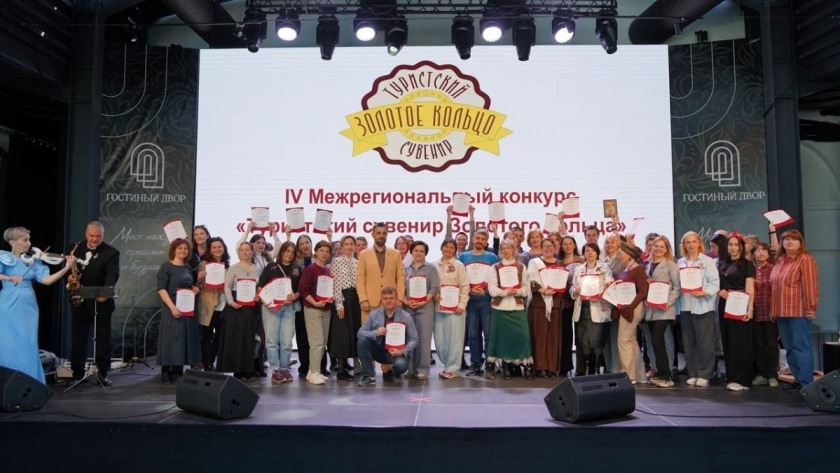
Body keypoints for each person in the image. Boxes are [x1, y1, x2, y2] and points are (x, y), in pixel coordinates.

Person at [0, 227, 75, 384]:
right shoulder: (4, 257)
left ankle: (30, 381)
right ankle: (8, 380)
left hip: (28, 303)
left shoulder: (34, 260)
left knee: (28, 342)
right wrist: (8, 278)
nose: (29, 243)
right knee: (8, 341)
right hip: (9, 302)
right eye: (25, 240)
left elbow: (46, 280)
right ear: (12, 242)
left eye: (29, 239)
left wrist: (67, 267)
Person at [69, 221, 120, 386]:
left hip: (101, 302)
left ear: (102, 235)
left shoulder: (111, 252)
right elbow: (67, 269)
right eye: (91, 236)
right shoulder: (75, 248)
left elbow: (112, 274)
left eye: (98, 236)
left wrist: (105, 292)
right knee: (78, 337)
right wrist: (69, 278)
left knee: (102, 338)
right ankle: (77, 374)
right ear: (86, 233)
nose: (95, 239)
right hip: (79, 300)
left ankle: (103, 374)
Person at [770, 230, 819, 391]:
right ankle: (798, 380)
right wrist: (773, 310)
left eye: (794, 239)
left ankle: (806, 383)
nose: (790, 242)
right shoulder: (781, 261)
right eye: (786, 239)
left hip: (798, 312)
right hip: (781, 312)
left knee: (801, 347)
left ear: (800, 243)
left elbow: (810, 286)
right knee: (790, 347)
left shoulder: (805, 259)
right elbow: (775, 287)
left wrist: (810, 308)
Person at [356, 222, 406, 381]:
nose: (381, 236)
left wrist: (399, 298)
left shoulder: (395, 254)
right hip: (369, 303)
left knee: (388, 336)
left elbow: (400, 277)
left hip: (390, 303)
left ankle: (387, 369)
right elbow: (360, 279)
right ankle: (369, 371)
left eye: (384, 233)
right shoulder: (364, 254)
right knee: (368, 338)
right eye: (378, 233)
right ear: (372, 234)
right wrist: (363, 299)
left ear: (387, 235)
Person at [156, 239, 202, 383]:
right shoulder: (166, 267)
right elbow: (161, 290)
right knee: (170, 338)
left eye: (185, 249)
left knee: (182, 338)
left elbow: (188, 286)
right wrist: (172, 307)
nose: (183, 251)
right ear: (174, 250)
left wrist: (195, 288)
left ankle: (177, 370)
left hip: (186, 307)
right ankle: (165, 371)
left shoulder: (187, 267)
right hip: (171, 306)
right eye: (180, 248)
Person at [677, 231, 720, 387]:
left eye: (694, 241)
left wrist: (705, 292)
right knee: (689, 341)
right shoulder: (680, 262)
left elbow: (715, 282)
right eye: (687, 242)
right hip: (685, 306)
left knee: (705, 342)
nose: (691, 245)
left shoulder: (707, 261)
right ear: (684, 245)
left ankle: (705, 374)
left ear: (699, 243)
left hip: (703, 306)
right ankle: (693, 372)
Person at [487, 238, 533, 379]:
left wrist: (516, 291)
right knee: (503, 338)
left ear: (514, 250)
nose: (506, 251)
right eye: (503, 248)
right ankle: (506, 366)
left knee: (522, 336)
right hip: (500, 308)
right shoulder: (494, 267)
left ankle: (527, 366)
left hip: (516, 307)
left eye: (508, 248)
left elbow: (526, 288)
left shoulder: (521, 267)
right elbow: (491, 289)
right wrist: (505, 292)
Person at [356, 286, 419, 386]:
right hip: (379, 351)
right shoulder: (373, 314)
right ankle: (368, 376)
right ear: (381, 300)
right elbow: (360, 333)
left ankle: (396, 373)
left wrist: (402, 352)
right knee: (362, 341)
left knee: (401, 365)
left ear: (397, 300)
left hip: (398, 352)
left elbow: (414, 339)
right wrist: (375, 333)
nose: (388, 301)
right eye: (385, 298)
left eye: (391, 298)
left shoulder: (406, 316)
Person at [257, 241, 301, 384]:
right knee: (272, 340)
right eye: (287, 251)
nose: (289, 254)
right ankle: (275, 369)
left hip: (288, 308)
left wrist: (296, 295)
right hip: (271, 308)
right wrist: (265, 300)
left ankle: (284, 368)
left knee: (287, 341)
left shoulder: (296, 269)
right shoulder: (271, 267)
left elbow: (301, 289)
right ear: (281, 252)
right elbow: (260, 287)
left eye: (292, 252)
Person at [717, 233, 756, 392]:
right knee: (727, 341)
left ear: (741, 247)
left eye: (736, 245)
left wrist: (750, 308)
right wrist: (720, 291)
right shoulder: (721, 264)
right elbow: (717, 284)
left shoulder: (747, 264)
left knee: (741, 342)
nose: (733, 248)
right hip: (725, 304)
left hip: (741, 303)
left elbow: (750, 288)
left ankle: (743, 379)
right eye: (730, 244)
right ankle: (732, 376)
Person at [217, 242, 261, 380]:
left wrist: (258, 296)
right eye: (242, 250)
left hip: (251, 308)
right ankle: (238, 371)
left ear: (252, 251)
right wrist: (231, 302)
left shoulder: (257, 269)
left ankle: (249, 370)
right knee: (236, 339)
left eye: (247, 250)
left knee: (249, 338)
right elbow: (227, 287)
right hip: (236, 307)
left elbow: (259, 287)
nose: (245, 252)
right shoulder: (234, 268)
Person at [459, 228, 499, 377]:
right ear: (472, 239)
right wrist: (469, 289)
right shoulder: (463, 257)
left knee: (488, 333)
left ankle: (490, 363)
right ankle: (475, 363)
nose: (480, 241)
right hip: (470, 301)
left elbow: (496, 279)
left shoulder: (492, 257)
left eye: (483, 239)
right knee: (473, 334)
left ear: (486, 241)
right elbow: (460, 278)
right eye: (477, 238)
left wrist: (486, 291)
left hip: (487, 301)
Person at [643, 236, 681, 388]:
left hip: (664, 310)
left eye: (661, 246)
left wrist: (668, 302)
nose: (658, 249)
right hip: (650, 309)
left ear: (666, 249)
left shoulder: (671, 265)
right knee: (654, 341)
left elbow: (677, 288)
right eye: (656, 246)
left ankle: (666, 375)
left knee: (658, 339)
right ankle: (660, 373)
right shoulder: (648, 266)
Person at [571, 243, 614, 375]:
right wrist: (575, 291)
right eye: (587, 251)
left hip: (598, 308)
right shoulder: (579, 269)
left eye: (593, 251)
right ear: (583, 253)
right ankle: (587, 371)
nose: (590, 253)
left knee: (597, 341)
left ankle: (595, 371)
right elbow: (572, 287)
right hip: (582, 309)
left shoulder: (604, 268)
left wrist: (600, 292)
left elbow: (611, 285)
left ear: (597, 253)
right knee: (584, 341)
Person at [291, 232, 327, 378]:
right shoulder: (295, 263)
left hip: (319, 301)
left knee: (319, 337)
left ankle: (320, 367)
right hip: (301, 302)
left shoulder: (318, 259)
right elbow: (297, 284)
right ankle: (305, 367)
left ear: (311, 244)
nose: (305, 246)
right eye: (301, 244)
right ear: (298, 247)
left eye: (307, 242)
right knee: (303, 336)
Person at [298, 241, 334, 385]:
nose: (324, 254)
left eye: (327, 251)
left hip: (326, 309)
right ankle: (315, 372)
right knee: (317, 343)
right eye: (322, 250)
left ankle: (311, 371)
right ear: (316, 252)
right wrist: (314, 303)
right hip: (313, 309)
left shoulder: (327, 271)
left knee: (323, 342)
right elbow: (303, 289)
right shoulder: (310, 269)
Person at [433, 238, 470, 379]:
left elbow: (465, 286)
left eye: (451, 247)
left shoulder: (459, 265)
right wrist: (434, 294)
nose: (448, 249)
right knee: (440, 341)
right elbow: (432, 285)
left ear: (455, 251)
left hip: (456, 310)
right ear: (441, 248)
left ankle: (453, 368)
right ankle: (447, 364)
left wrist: (462, 305)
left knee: (455, 340)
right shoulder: (434, 265)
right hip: (439, 308)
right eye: (446, 246)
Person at [613, 242, 649, 384]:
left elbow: (643, 291)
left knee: (623, 340)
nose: (619, 256)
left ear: (630, 254)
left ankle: (629, 375)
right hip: (626, 307)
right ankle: (640, 375)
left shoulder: (638, 269)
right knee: (631, 341)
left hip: (634, 308)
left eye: (621, 254)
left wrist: (630, 307)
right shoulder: (625, 269)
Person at [527, 239, 563, 378]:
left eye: (551, 246)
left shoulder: (559, 264)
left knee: (553, 336)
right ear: (541, 248)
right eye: (545, 246)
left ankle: (552, 367)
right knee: (539, 336)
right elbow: (529, 281)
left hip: (555, 304)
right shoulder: (535, 262)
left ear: (555, 247)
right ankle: (540, 367)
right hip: (539, 304)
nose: (548, 249)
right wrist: (542, 290)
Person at [403, 240, 439, 380]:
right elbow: (401, 288)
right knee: (410, 339)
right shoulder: (405, 269)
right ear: (411, 252)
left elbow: (434, 287)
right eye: (416, 250)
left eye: (422, 251)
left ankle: (423, 369)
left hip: (426, 309)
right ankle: (410, 369)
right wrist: (406, 301)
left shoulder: (431, 268)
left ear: (425, 254)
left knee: (424, 339)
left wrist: (425, 300)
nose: (418, 253)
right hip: (409, 309)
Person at [330, 236, 362, 382]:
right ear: (342, 247)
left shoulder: (358, 263)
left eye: (351, 244)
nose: (349, 247)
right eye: (346, 244)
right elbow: (335, 284)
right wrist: (339, 304)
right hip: (343, 298)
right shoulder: (336, 262)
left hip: (355, 299)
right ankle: (341, 370)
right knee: (341, 334)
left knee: (353, 332)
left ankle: (352, 367)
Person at [195, 237, 230, 371]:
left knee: (220, 337)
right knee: (207, 336)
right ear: (210, 250)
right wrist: (200, 279)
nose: (217, 249)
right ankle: (207, 364)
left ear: (224, 248)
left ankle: (211, 360)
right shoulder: (203, 264)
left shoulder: (227, 266)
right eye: (214, 247)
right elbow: (198, 287)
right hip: (208, 305)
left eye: (219, 246)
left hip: (224, 305)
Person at [751, 242, 778, 388]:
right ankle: (761, 374)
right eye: (758, 250)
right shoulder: (749, 269)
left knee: (772, 345)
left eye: (764, 251)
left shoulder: (774, 269)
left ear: (768, 254)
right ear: (752, 254)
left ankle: (773, 375)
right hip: (754, 312)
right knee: (758, 345)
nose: (761, 253)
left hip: (770, 312)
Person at [558, 236, 583, 376]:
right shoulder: (558, 262)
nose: (567, 246)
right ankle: (565, 366)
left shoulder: (582, 260)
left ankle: (581, 368)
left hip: (580, 300)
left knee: (581, 335)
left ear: (574, 245)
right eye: (565, 244)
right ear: (561, 247)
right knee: (566, 334)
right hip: (564, 301)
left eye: (570, 244)